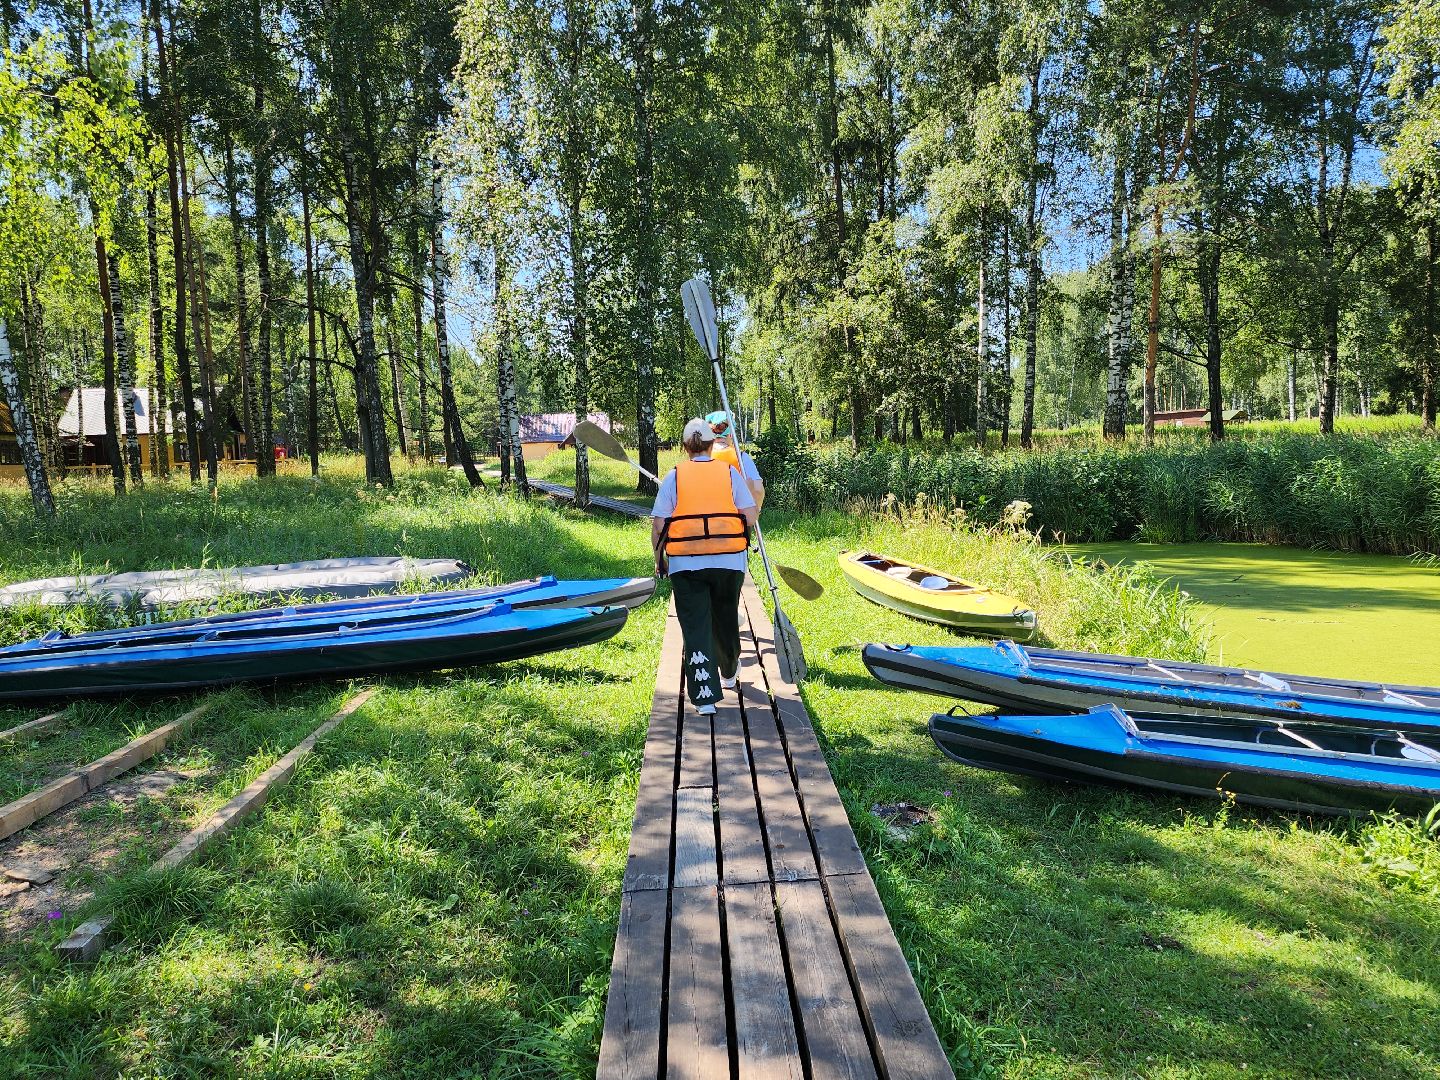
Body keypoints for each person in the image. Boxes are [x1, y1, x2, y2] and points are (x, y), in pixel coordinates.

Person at [652, 418, 759, 715]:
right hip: (729, 561)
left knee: (696, 625)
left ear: (685, 447)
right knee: (725, 619)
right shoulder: (730, 473)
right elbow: (749, 517)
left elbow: (660, 524)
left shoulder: (674, 476)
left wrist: (658, 559)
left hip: (685, 563)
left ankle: (705, 699)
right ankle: (729, 671)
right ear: (712, 445)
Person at [704, 410, 765, 509]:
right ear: (731, 434)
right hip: (733, 521)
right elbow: (758, 491)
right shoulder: (741, 458)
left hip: (701, 521)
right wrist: (754, 513)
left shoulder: (697, 458)